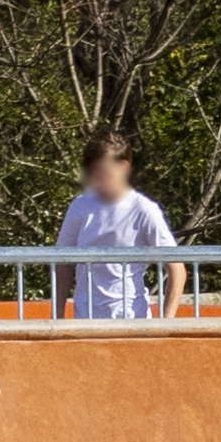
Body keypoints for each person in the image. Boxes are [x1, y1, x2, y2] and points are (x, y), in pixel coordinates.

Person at [56, 132, 178, 320]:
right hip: (85, 320)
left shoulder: (144, 210)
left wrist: (166, 322)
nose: (96, 178)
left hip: (131, 320)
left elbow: (176, 268)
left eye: (103, 172)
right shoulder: (79, 206)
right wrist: (57, 317)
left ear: (123, 167)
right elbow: (63, 265)